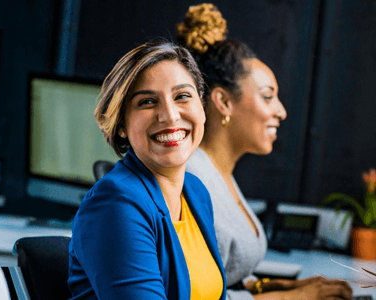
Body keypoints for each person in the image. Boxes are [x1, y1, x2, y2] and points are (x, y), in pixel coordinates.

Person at [178, 3, 353, 300]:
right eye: (267, 97)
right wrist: (290, 298)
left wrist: (278, 286)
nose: (281, 112)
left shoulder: (220, 175)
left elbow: (225, 274)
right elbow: (196, 294)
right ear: (223, 101)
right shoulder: (193, 180)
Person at [67, 41, 227, 299]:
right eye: (148, 102)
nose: (170, 115)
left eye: (182, 96)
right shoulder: (115, 203)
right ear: (121, 125)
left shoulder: (196, 192)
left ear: (202, 106)